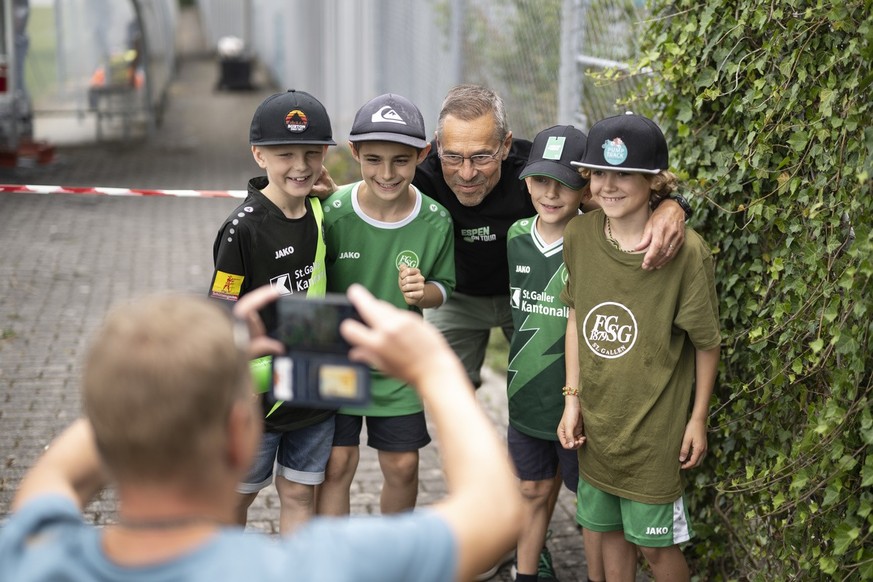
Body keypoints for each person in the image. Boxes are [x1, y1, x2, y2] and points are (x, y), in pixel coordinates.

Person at [0, 284, 523, 581]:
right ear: (238, 435)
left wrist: (158, 387)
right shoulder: (312, 568)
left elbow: (57, 476)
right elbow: (496, 512)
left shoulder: (34, 555)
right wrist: (434, 367)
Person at [412, 84, 691, 391]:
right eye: (453, 156)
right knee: (446, 393)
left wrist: (673, 205)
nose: (466, 173)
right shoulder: (423, 178)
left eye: (481, 157)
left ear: (505, 146)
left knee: (552, 385)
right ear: (438, 145)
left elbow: (617, 199)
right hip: (457, 296)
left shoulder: (537, 175)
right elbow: (370, 195)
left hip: (532, 293)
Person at [557, 112, 721, 581]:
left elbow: (706, 343)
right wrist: (573, 399)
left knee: (655, 549)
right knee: (607, 534)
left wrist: (697, 418)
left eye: (624, 173)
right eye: (600, 173)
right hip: (599, 427)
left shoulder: (687, 252)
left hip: (654, 436)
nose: (609, 185)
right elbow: (576, 316)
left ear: (654, 182)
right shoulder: (580, 235)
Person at [315, 94, 455, 517]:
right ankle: (337, 560)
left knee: (403, 465)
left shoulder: (436, 221)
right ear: (354, 152)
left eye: (401, 161)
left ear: (422, 155)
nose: (387, 173)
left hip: (395, 363)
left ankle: (394, 558)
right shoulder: (332, 212)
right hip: (339, 360)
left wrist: (423, 292)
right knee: (337, 463)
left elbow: (444, 286)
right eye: (373, 159)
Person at [208, 89, 336, 533]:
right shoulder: (241, 230)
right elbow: (222, 314)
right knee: (237, 495)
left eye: (311, 153)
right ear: (259, 155)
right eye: (285, 155)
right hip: (256, 400)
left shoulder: (321, 212)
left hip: (311, 388)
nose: (300, 166)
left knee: (300, 492)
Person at [505, 124, 603, 582]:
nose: (550, 192)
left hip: (580, 401)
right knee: (530, 488)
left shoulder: (596, 239)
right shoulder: (516, 236)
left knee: (588, 501)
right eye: (541, 180)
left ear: (586, 186)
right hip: (525, 393)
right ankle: (527, 573)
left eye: (564, 182)